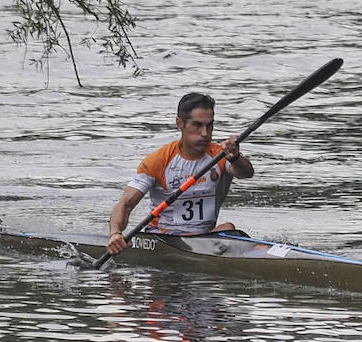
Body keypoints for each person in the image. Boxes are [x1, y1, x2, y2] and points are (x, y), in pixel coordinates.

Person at [105, 91, 255, 255]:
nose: (205, 133)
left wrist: (235, 158)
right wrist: (115, 233)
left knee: (229, 228)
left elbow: (246, 173)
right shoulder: (158, 161)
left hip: (206, 239)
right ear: (180, 123)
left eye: (209, 125)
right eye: (197, 125)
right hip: (164, 238)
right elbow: (125, 204)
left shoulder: (221, 155)